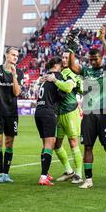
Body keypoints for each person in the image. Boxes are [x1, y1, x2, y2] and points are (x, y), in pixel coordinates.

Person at [67, 26, 106, 189]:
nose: (93, 62)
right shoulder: (86, 71)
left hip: (104, 114)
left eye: (96, 59)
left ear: (100, 58)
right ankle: (88, 180)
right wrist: (71, 47)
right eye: (90, 60)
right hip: (89, 115)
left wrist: (103, 39)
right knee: (88, 147)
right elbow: (71, 65)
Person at [0, 47, 23, 183]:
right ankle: (0, 173)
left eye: (17, 56)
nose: (15, 57)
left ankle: (6, 174)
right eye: (13, 55)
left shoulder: (18, 72)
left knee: (9, 143)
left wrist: (14, 76)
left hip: (11, 113)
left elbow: (17, 93)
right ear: (6, 55)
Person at [35, 57, 74, 186]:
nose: (62, 68)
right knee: (50, 143)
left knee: (45, 143)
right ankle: (43, 176)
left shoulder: (45, 78)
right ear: (57, 66)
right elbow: (64, 92)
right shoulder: (57, 76)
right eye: (61, 66)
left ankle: (45, 172)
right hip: (48, 112)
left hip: (38, 111)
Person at [53, 32, 84, 185]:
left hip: (70, 112)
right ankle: (69, 170)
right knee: (56, 144)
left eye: (67, 58)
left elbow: (69, 88)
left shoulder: (71, 72)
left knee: (73, 142)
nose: (64, 60)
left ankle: (79, 173)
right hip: (60, 113)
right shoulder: (61, 72)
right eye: (63, 58)